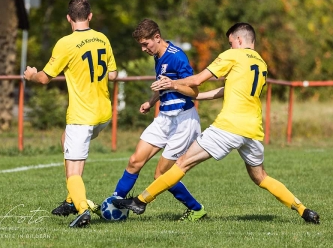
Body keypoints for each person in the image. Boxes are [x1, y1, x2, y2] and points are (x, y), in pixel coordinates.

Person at [112, 22, 320, 224]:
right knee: (261, 177)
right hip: (253, 130)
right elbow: (229, 90)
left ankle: (140, 201)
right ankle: (303, 210)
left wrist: (173, 83)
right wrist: (197, 97)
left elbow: (196, 80)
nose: (229, 47)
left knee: (182, 163)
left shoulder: (232, 55)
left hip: (228, 127)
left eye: (231, 43)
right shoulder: (260, 63)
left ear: (239, 40)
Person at [23, 0, 118, 228]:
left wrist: (31, 75)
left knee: (73, 168)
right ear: (90, 16)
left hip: (82, 116)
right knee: (66, 140)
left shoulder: (65, 43)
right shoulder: (102, 38)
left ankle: (82, 209)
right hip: (104, 113)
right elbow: (113, 75)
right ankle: (70, 200)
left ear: (68, 18)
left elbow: (44, 78)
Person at [112, 18, 207, 221]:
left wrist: (172, 85)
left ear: (157, 37)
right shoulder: (158, 56)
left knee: (161, 175)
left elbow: (194, 90)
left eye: (145, 44)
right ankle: (115, 203)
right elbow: (162, 84)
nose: (144, 49)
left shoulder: (177, 57)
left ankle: (196, 209)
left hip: (183, 121)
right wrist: (151, 101)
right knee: (135, 161)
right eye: (141, 45)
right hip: (164, 117)